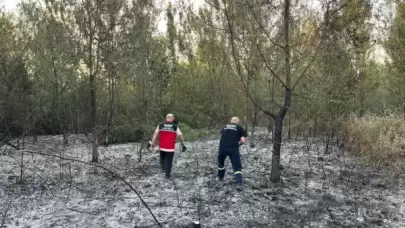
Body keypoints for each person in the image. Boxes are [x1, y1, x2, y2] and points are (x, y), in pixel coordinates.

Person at [150, 113, 186, 179]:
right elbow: (180, 135)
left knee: (162, 159)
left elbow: (155, 134)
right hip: (170, 148)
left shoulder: (160, 126)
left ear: (166, 119)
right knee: (169, 161)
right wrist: (183, 143)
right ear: (173, 119)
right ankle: (167, 174)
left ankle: (163, 169)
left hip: (162, 147)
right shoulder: (175, 126)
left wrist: (152, 143)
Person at [218, 116, 247, 189]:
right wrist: (239, 144)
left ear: (231, 121)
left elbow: (222, 135)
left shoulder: (224, 126)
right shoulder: (239, 128)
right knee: (237, 166)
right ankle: (239, 183)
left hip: (222, 148)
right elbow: (243, 140)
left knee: (221, 164)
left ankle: (220, 178)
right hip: (233, 149)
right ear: (238, 122)